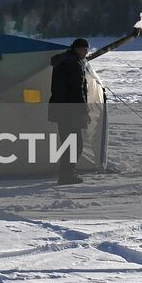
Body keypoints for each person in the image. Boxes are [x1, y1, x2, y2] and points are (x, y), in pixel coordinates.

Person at [48, 38, 90, 186]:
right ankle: (67, 174)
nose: (86, 52)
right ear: (78, 49)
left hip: (60, 109)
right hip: (71, 110)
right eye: (85, 49)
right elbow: (77, 90)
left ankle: (65, 173)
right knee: (75, 143)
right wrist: (83, 109)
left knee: (67, 142)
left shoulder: (63, 61)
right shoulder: (74, 64)